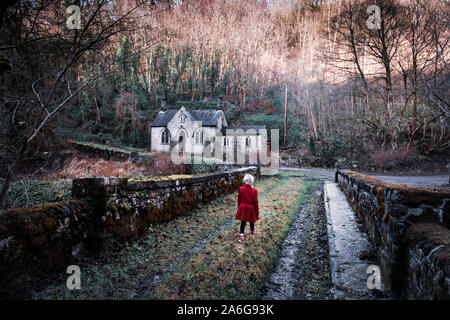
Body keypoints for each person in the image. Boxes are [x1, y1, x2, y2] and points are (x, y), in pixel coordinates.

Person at [235, 173, 259, 243]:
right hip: (251, 208)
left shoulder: (241, 189)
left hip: (242, 207)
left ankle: (241, 236)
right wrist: (256, 212)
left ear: (245, 181)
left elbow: (239, 200)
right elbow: (255, 203)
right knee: (251, 221)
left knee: (243, 222)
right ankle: (252, 231)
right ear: (252, 181)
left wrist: (239, 208)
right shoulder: (254, 191)